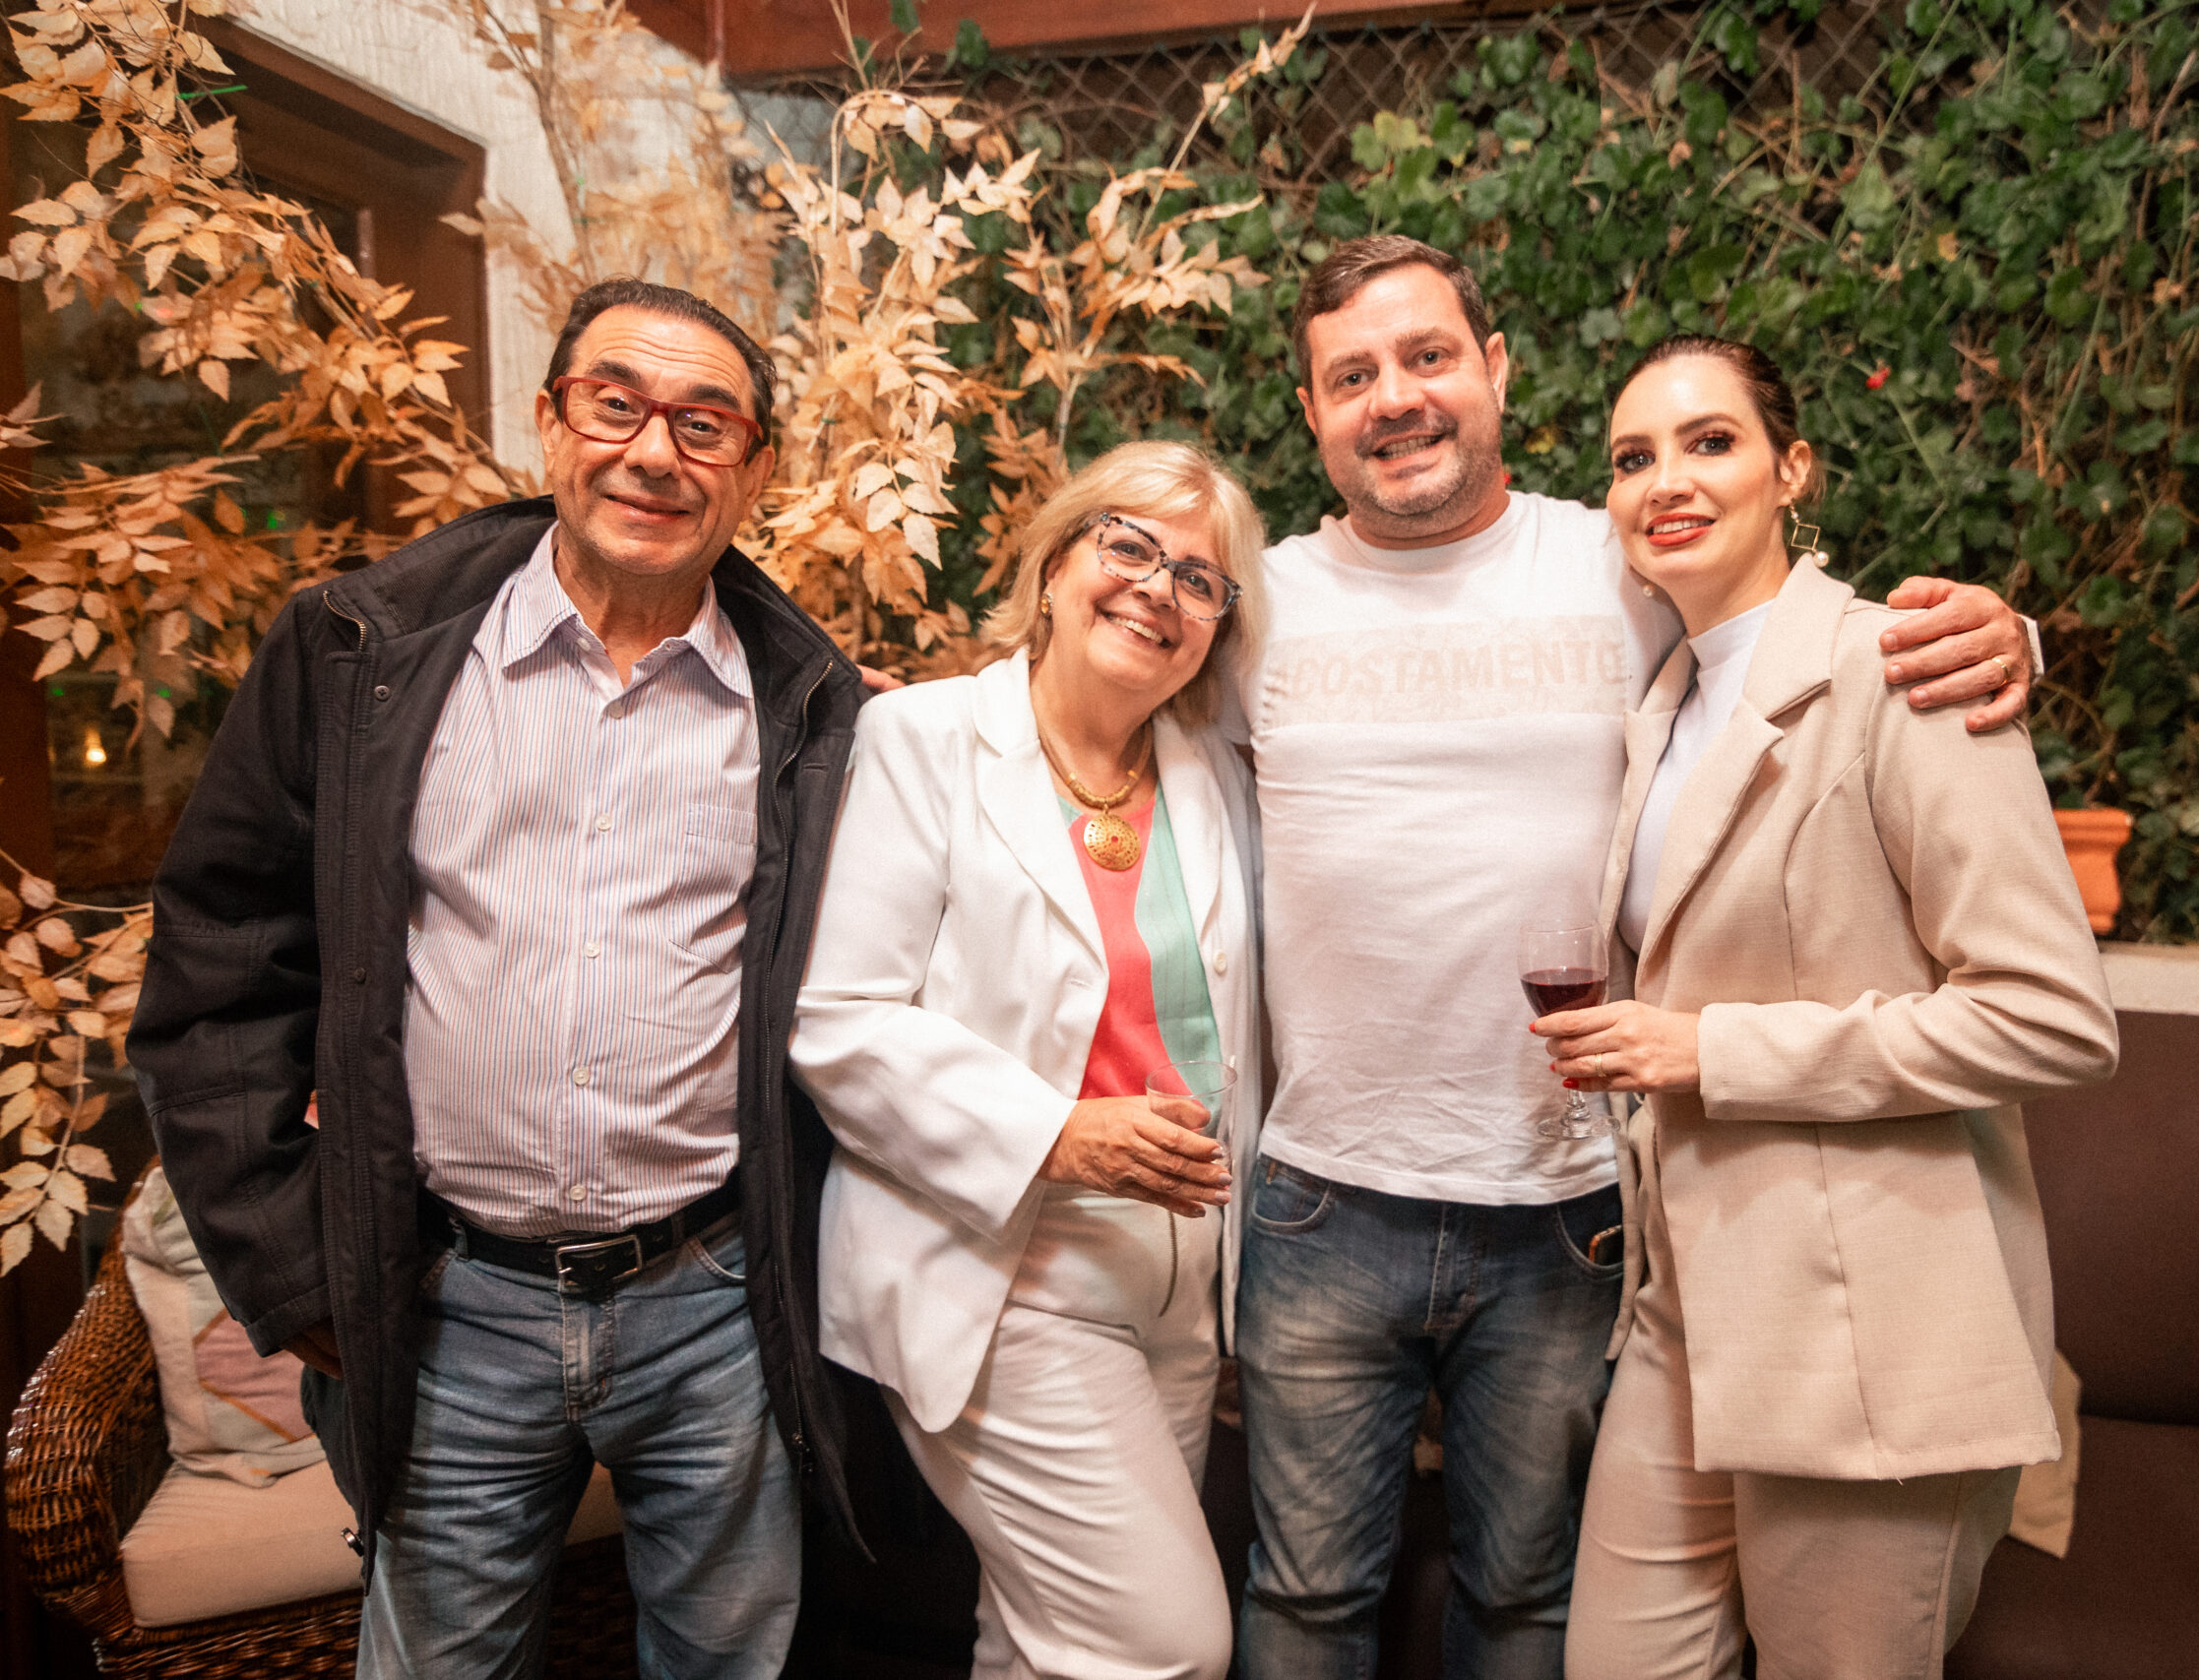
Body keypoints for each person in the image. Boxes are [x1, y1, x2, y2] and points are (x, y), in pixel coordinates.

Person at [1227, 235, 2043, 1680]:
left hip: (1569, 1204)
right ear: (1309, 412)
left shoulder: (1624, 559)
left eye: (1427, 356)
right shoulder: (1258, 602)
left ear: (1495, 370)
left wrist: (2008, 636)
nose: (1394, 397)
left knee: (1525, 1602)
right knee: (1301, 1600)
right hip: (1319, 1199)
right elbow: (1080, 700)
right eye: (1351, 375)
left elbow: (1809, 643)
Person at [127, 278, 865, 1679]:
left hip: (714, 1305)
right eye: (616, 405)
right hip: (450, 1304)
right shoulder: (363, 654)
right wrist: (300, 1270)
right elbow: (219, 960)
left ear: (756, 468)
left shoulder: (816, 711)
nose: (655, 452)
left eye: (705, 424)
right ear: (549, 422)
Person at [1539, 335, 2118, 1679]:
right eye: (1632, 456)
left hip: (1868, 1323)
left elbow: (2051, 1015)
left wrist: (1708, 1049)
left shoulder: (1903, 670)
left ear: (1791, 469)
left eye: (1710, 441)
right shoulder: (1664, 701)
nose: (1666, 479)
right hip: (1686, 1302)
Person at [788, 441, 1268, 1680]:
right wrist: (1057, 1133)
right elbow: (838, 1017)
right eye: (1128, 547)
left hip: (1179, 1281)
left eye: (1199, 580)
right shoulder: (921, 738)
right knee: (1166, 1644)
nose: (1158, 590)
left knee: (1046, 1639)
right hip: (1004, 1273)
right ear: (1053, 566)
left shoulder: (1209, 774)